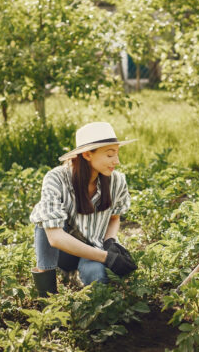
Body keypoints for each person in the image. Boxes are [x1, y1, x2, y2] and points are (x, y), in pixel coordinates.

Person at [30, 122, 138, 297]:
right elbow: (55, 238)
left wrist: (109, 242)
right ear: (87, 154)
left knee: (96, 277)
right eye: (110, 155)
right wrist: (106, 258)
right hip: (63, 253)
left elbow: (114, 218)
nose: (116, 161)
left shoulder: (117, 181)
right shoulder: (56, 178)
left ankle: (79, 277)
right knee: (44, 222)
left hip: (94, 248)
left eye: (117, 154)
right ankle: (46, 295)